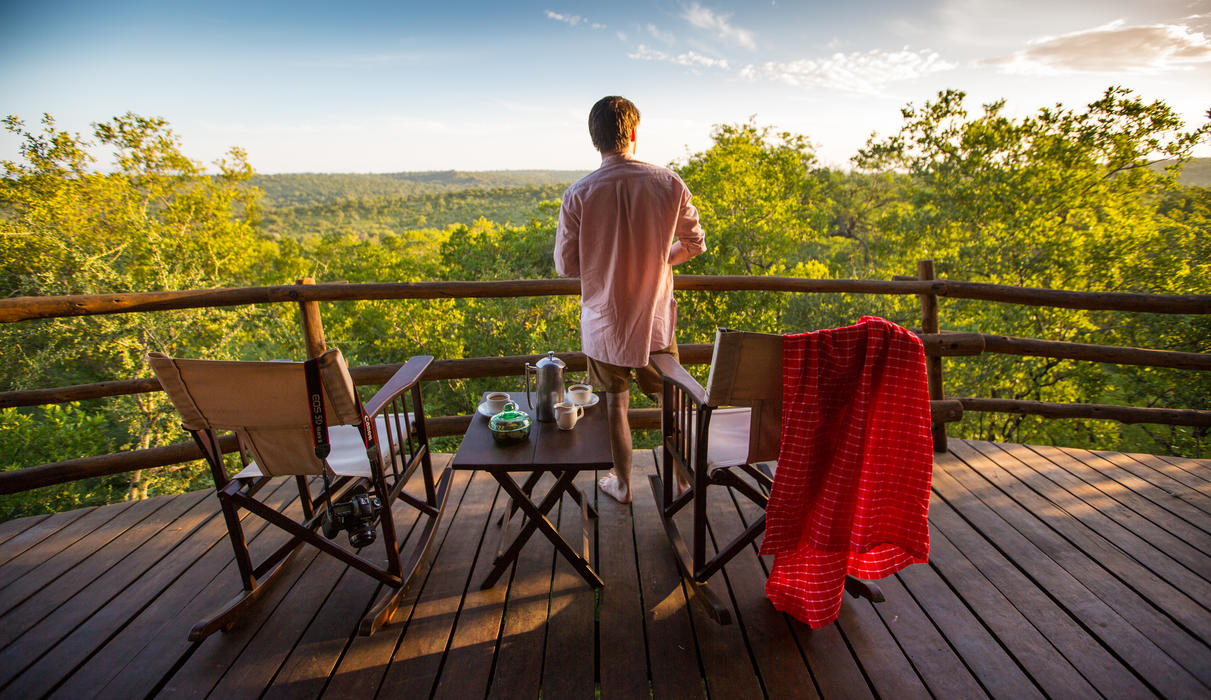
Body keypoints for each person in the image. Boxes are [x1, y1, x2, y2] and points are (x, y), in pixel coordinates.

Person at [554, 96, 706, 504]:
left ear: (594, 140)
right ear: (634, 133)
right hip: (654, 317)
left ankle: (622, 486)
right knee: (668, 401)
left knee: (615, 406)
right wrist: (660, 261)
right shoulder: (670, 183)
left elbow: (567, 266)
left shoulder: (578, 194)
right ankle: (680, 479)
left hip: (605, 323)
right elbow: (695, 243)